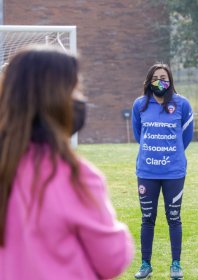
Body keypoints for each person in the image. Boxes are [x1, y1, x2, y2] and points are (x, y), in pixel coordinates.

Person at [0, 45, 134, 280]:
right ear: (56, 102)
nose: (81, 100)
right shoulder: (74, 176)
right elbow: (112, 259)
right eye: (75, 91)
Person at [132, 63, 193, 279]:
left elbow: (185, 137)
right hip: (147, 172)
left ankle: (176, 264)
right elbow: (139, 135)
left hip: (173, 172)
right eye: (156, 77)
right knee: (147, 218)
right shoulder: (140, 105)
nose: (160, 81)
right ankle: (145, 264)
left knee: (174, 218)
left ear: (170, 81)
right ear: (149, 81)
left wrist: (171, 153)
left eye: (164, 77)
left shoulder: (182, 104)